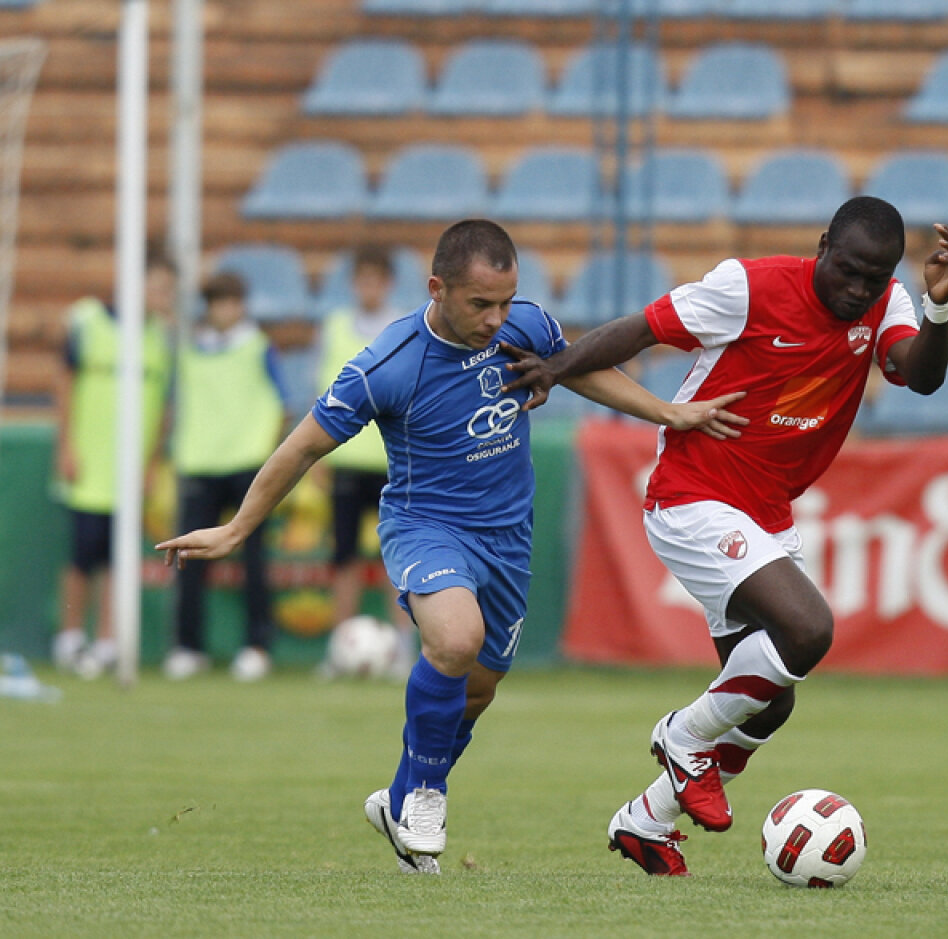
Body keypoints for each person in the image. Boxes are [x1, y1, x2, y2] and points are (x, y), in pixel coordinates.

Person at [154, 219, 747, 875]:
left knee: (478, 688)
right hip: (425, 527)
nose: (497, 319)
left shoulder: (523, 324)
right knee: (455, 640)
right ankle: (429, 795)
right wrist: (237, 527)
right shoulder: (389, 364)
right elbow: (303, 446)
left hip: (506, 538)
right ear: (437, 288)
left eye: (505, 301)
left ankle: (401, 799)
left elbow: (579, 369)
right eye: (480, 304)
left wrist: (671, 412)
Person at [501, 196, 948, 876]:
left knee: (770, 702)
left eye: (874, 276)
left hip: (766, 512)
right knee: (807, 630)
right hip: (694, 496)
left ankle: (647, 817)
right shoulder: (748, 287)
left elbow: (920, 376)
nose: (857, 289)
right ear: (822, 246)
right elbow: (640, 330)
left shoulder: (886, 303)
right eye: (847, 270)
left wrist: (938, 309)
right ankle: (682, 735)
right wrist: (556, 368)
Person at [52, 247, 176, 679]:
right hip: (91, 465)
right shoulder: (86, 322)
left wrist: (151, 464)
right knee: (82, 554)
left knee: (117, 558)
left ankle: (108, 640)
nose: (165, 296)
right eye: (158, 286)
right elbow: (64, 386)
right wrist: (65, 446)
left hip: (130, 472)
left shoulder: (162, 338)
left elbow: (164, 409)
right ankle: (69, 637)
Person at [162, 271, 287, 683]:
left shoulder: (258, 347)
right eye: (218, 302)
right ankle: (188, 646)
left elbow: (283, 403)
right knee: (189, 561)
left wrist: (268, 454)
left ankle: (257, 646)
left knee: (254, 560)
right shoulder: (189, 350)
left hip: (248, 465)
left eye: (232, 302)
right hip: (199, 463)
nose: (225, 310)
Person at [316, 244, 416, 678]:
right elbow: (321, 390)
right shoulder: (335, 327)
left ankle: (404, 651)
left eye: (377, 280)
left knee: (399, 559)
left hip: (390, 461)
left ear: (388, 284)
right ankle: (341, 648)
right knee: (344, 558)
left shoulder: (405, 327)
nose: (369, 288)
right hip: (346, 458)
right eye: (362, 280)